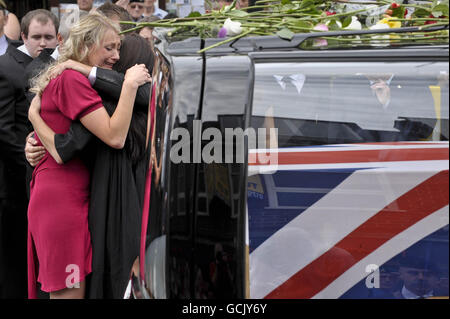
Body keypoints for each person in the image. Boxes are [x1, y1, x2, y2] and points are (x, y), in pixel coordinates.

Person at [27, 13, 151, 299]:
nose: (116, 56)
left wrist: (35, 127)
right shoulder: (71, 80)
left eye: (118, 48)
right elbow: (115, 136)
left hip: (66, 199)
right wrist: (130, 85)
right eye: (108, 48)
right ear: (84, 45)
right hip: (62, 204)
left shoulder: (74, 76)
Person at [0, 8, 59, 299]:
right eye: (36, 37)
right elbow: (5, 129)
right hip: (16, 181)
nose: (43, 43)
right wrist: (31, 158)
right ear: (23, 36)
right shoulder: (6, 67)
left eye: (49, 37)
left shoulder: (55, 64)